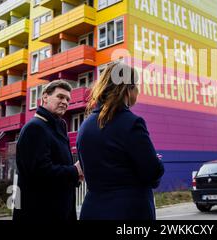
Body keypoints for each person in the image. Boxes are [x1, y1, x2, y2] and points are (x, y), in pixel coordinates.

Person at [77, 62, 164, 220]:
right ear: (128, 89)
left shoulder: (85, 125)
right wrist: (156, 162)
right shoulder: (131, 123)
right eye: (136, 86)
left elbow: (87, 167)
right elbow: (152, 172)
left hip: (92, 210)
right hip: (128, 211)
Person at [13, 80, 83, 221]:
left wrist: (76, 177)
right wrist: (74, 171)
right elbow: (39, 173)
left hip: (60, 210)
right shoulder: (35, 128)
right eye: (60, 97)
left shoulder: (58, 127)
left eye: (68, 99)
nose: (65, 102)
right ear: (45, 97)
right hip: (40, 213)